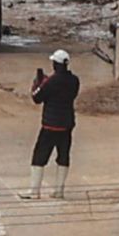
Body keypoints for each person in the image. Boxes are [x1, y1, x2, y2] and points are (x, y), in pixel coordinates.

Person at [24, 50, 82, 194]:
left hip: (50, 125)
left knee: (39, 156)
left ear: (55, 64)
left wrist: (37, 84)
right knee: (63, 156)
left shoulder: (51, 81)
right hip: (67, 124)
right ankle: (59, 191)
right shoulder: (74, 80)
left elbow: (37, 98)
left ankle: (34, 191)